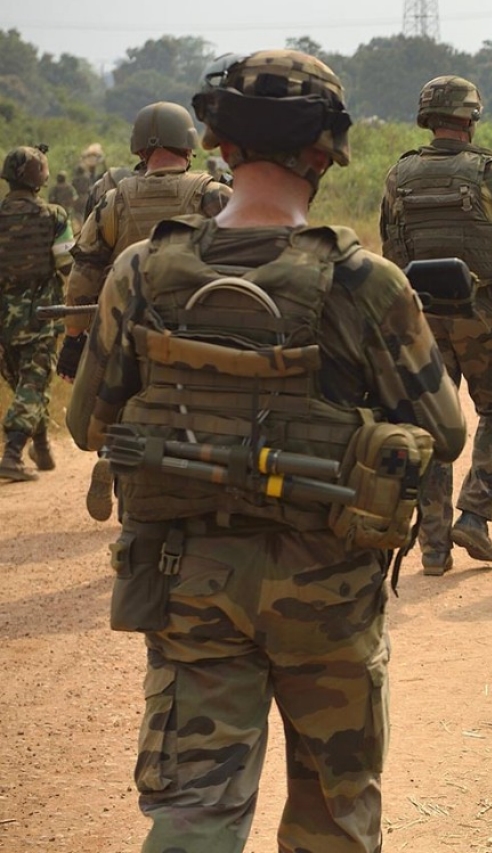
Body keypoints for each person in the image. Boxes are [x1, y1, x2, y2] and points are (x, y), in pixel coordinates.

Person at [65, 49, 466, 852]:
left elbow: (89, 425)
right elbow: (445, 432)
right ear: (326, 149)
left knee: (195, 815)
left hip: (189, 583)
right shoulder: (366, 284)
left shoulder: (139, 273)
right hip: (330, 596)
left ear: (220, 142)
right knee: (333, 813)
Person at [379, 75, 492, 575]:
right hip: (482, 316)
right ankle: (474, 515)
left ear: (427, 117)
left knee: (431, 427)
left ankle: (434, 548)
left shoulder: (399, 175)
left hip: (422, 321)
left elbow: (390, 248)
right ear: (471, 118)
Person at [60, 101, 232, 522]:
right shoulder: (213, 194)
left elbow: (84, 274)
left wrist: (74, 338)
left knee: (125, 406)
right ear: (189, 145)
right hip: (199, 332)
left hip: (128, 331)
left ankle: (119, 467)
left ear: (139, 149)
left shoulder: (114, 201)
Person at [0, 145, 73, 481]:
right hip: (40, 319)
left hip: (3, 321)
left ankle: (41, 445)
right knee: (33, 384)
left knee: (27, 385)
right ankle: (12, 455)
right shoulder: (55, 217)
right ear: (39, 177)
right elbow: (67, 265)